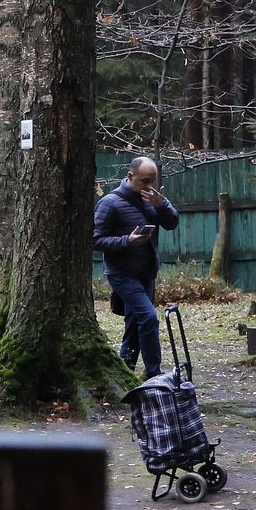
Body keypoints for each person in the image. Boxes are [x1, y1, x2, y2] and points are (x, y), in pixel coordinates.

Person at [92, 154, 181, 379]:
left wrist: (162, 206)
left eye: (152, 180)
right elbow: (95, 240)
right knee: (149, 318)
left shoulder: (154, 200)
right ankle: (154, 374)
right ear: (130, 176)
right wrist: (127, 241)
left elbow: (171, 223)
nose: (149, 186)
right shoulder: (110, 203)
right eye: (144, 181)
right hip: (122, 273)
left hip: (147, 273)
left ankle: (124, 374)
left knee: (134, 327)